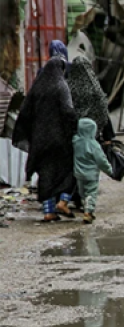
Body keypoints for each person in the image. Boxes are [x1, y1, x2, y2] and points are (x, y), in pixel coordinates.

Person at [13, 58, 77, 222]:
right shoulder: (61, 86)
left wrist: (29, 134)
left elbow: (25, 113)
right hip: (59, 139)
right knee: (65, 171)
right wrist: (74, 128)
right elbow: (68, 111)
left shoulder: (37, 87)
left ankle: (49, 211)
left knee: (45, 174)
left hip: (40, 141)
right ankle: (63, 201)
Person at [73, 118, 113, 224]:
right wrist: (109, 170)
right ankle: (88, 212)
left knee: (82, 192)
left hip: (78, 173)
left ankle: (84, 204)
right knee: (91, 193)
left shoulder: (76, 141)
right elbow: (101, 160)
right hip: (91, 175)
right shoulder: (94, 145)